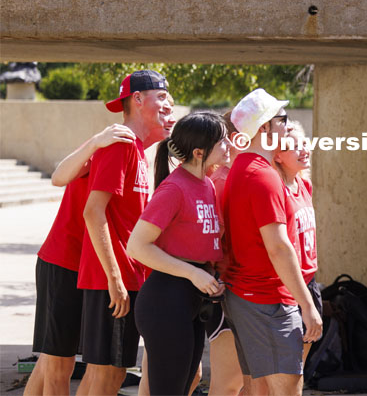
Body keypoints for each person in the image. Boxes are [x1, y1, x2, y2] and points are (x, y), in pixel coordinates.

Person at [221, 89, 323, 395]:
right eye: (283, 119)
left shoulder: (243, 169)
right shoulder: (263, 176)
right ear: (264, 128)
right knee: (287, 387)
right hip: (268, 300)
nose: (288, 126)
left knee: (260, 389)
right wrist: (307, 305)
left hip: (250, 296)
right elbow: (278, 247)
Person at [78, 70, 173, 396]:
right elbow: (93, 211)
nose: (167, 105)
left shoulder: (135, 149)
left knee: (101, 375)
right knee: (109, 376)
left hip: (124, 277)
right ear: (137, 99)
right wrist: (114, 279)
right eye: (161, 97)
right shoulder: (120, 146)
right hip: (113, 280)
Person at [24, 124, 137, 396]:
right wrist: (95, 141)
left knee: (54, 363)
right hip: (63, 260)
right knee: (57, 364)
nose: (169, 112)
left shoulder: (138, 151)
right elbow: (58, 177)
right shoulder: (110, 147)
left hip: (88, 265)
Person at [127, 112, 229, 395]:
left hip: (191, 299)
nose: (229, 145)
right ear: (199, 152)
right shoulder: (174, 188)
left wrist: (208, 275)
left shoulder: (206, 183)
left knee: (184, 385)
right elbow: (136, 246)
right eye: (222, 141)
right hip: (166, 300)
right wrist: (193, 272)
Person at [272, 123, 321, 376]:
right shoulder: (275, 189)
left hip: (311, 282)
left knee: (298, 369)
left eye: (305, 143)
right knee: (285, 373)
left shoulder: (305, 185)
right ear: (277, 155)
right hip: (290, 287)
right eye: (293, 147)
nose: (303, 150)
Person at [203, 109, 244, 396]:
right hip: (226, 290)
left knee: (245, 383)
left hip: (245, 290)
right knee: (228, 384)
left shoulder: (245, 174)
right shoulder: (221, 180)